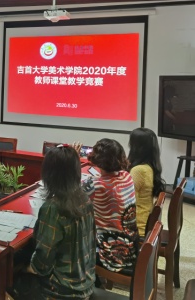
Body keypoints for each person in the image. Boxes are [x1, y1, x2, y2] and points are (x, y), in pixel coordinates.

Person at [12, 145, 96, 299]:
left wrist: (23, 268)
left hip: (61, 290)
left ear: (49, 174)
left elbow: (41, 265)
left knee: (8, 275)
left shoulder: (53, 208)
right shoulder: (84, 198)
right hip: (86, 282)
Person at [84, 138, 138, 274]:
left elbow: (71, 197)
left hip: (110, 255)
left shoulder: (95, 185)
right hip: (130, 247)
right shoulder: (127, 176)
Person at [127, 128, 166, 237]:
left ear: (136, 147)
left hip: (137, 227)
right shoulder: (149, 166)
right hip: (144, 221)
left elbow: (127, 202)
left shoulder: (138, 170)